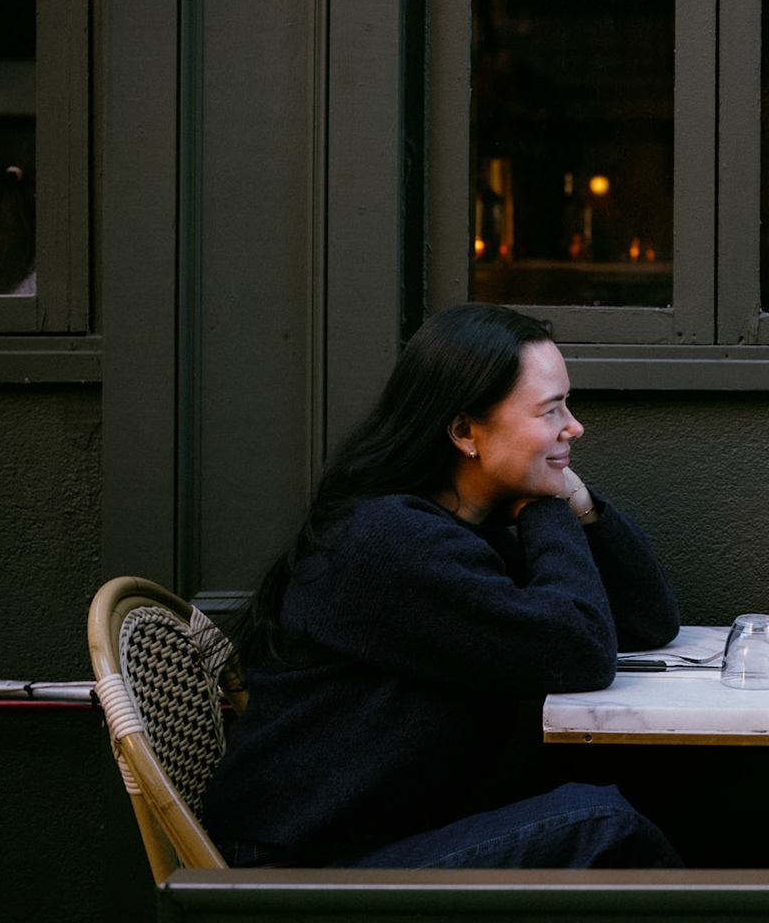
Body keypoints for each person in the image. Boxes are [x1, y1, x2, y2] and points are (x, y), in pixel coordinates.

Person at [203, 303, 683, 869]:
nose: (573, 426)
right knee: (603, 826)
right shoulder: (389, 542)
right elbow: (578, 648)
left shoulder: (461, 531)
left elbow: (648, 622)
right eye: (550, 410)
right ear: (464, 432)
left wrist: (576, 503)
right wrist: (548, 507)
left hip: (384, 839)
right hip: (305, 869)